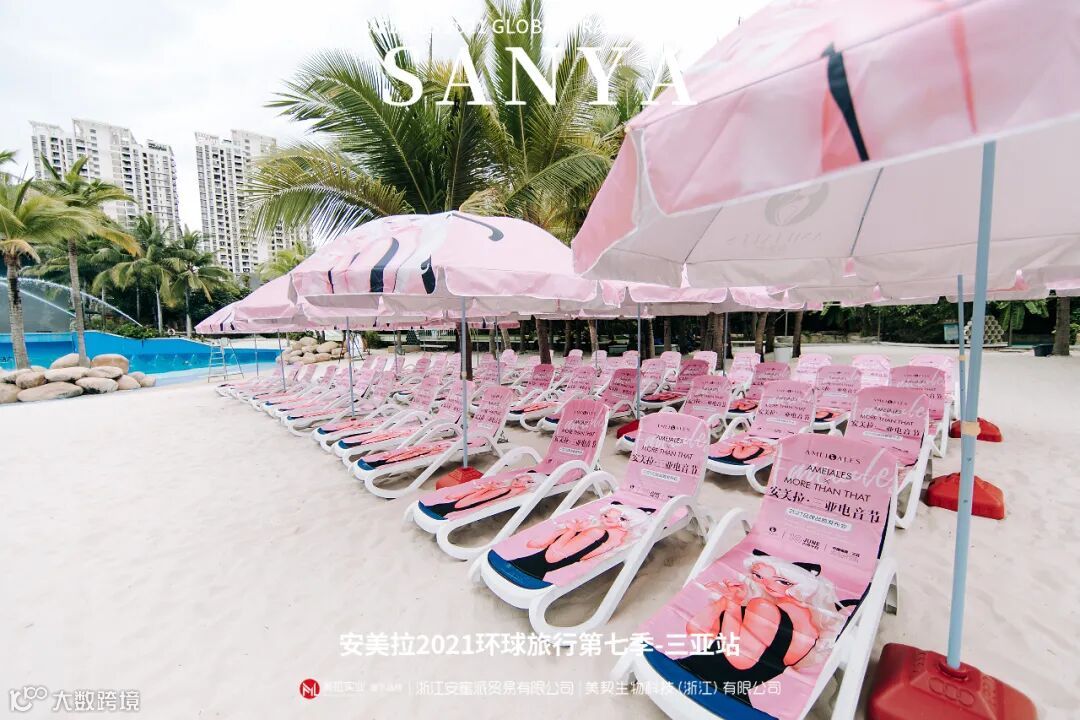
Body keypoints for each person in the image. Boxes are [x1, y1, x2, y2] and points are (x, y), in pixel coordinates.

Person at [674, 550, 844, 705]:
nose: (767, 585)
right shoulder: (810, 627)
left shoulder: (763, 607)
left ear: (801, 586)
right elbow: (696, 631)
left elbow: (738, 658)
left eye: (782, 582)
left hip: (696, 678)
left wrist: (732, 604)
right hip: (735, 700)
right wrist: (726, 600)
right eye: (758, 576)